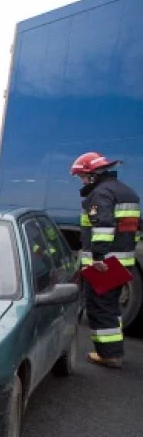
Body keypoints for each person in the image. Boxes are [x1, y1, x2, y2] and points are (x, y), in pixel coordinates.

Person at [70, 151, 141, 368]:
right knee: (110, 307)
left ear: (92, 175)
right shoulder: (128, 193)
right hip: (123, 261)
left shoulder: (101, 194)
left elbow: (103, 228)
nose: (82, 181)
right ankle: (114, 349)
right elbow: (133, 229)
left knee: (99, 308)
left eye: (83, 176)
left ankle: (109, 355)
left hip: (105, 264)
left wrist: (99, 257)